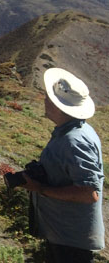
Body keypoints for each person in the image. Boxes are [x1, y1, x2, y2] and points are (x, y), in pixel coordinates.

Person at [18, 68, 103, 262]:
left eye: (49, 98)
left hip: (71, 239)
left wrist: (40, 188)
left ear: (60, 107)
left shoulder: (74, 141)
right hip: (64, 234)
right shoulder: (71, 132)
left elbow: (89, 193)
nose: (45, 101)